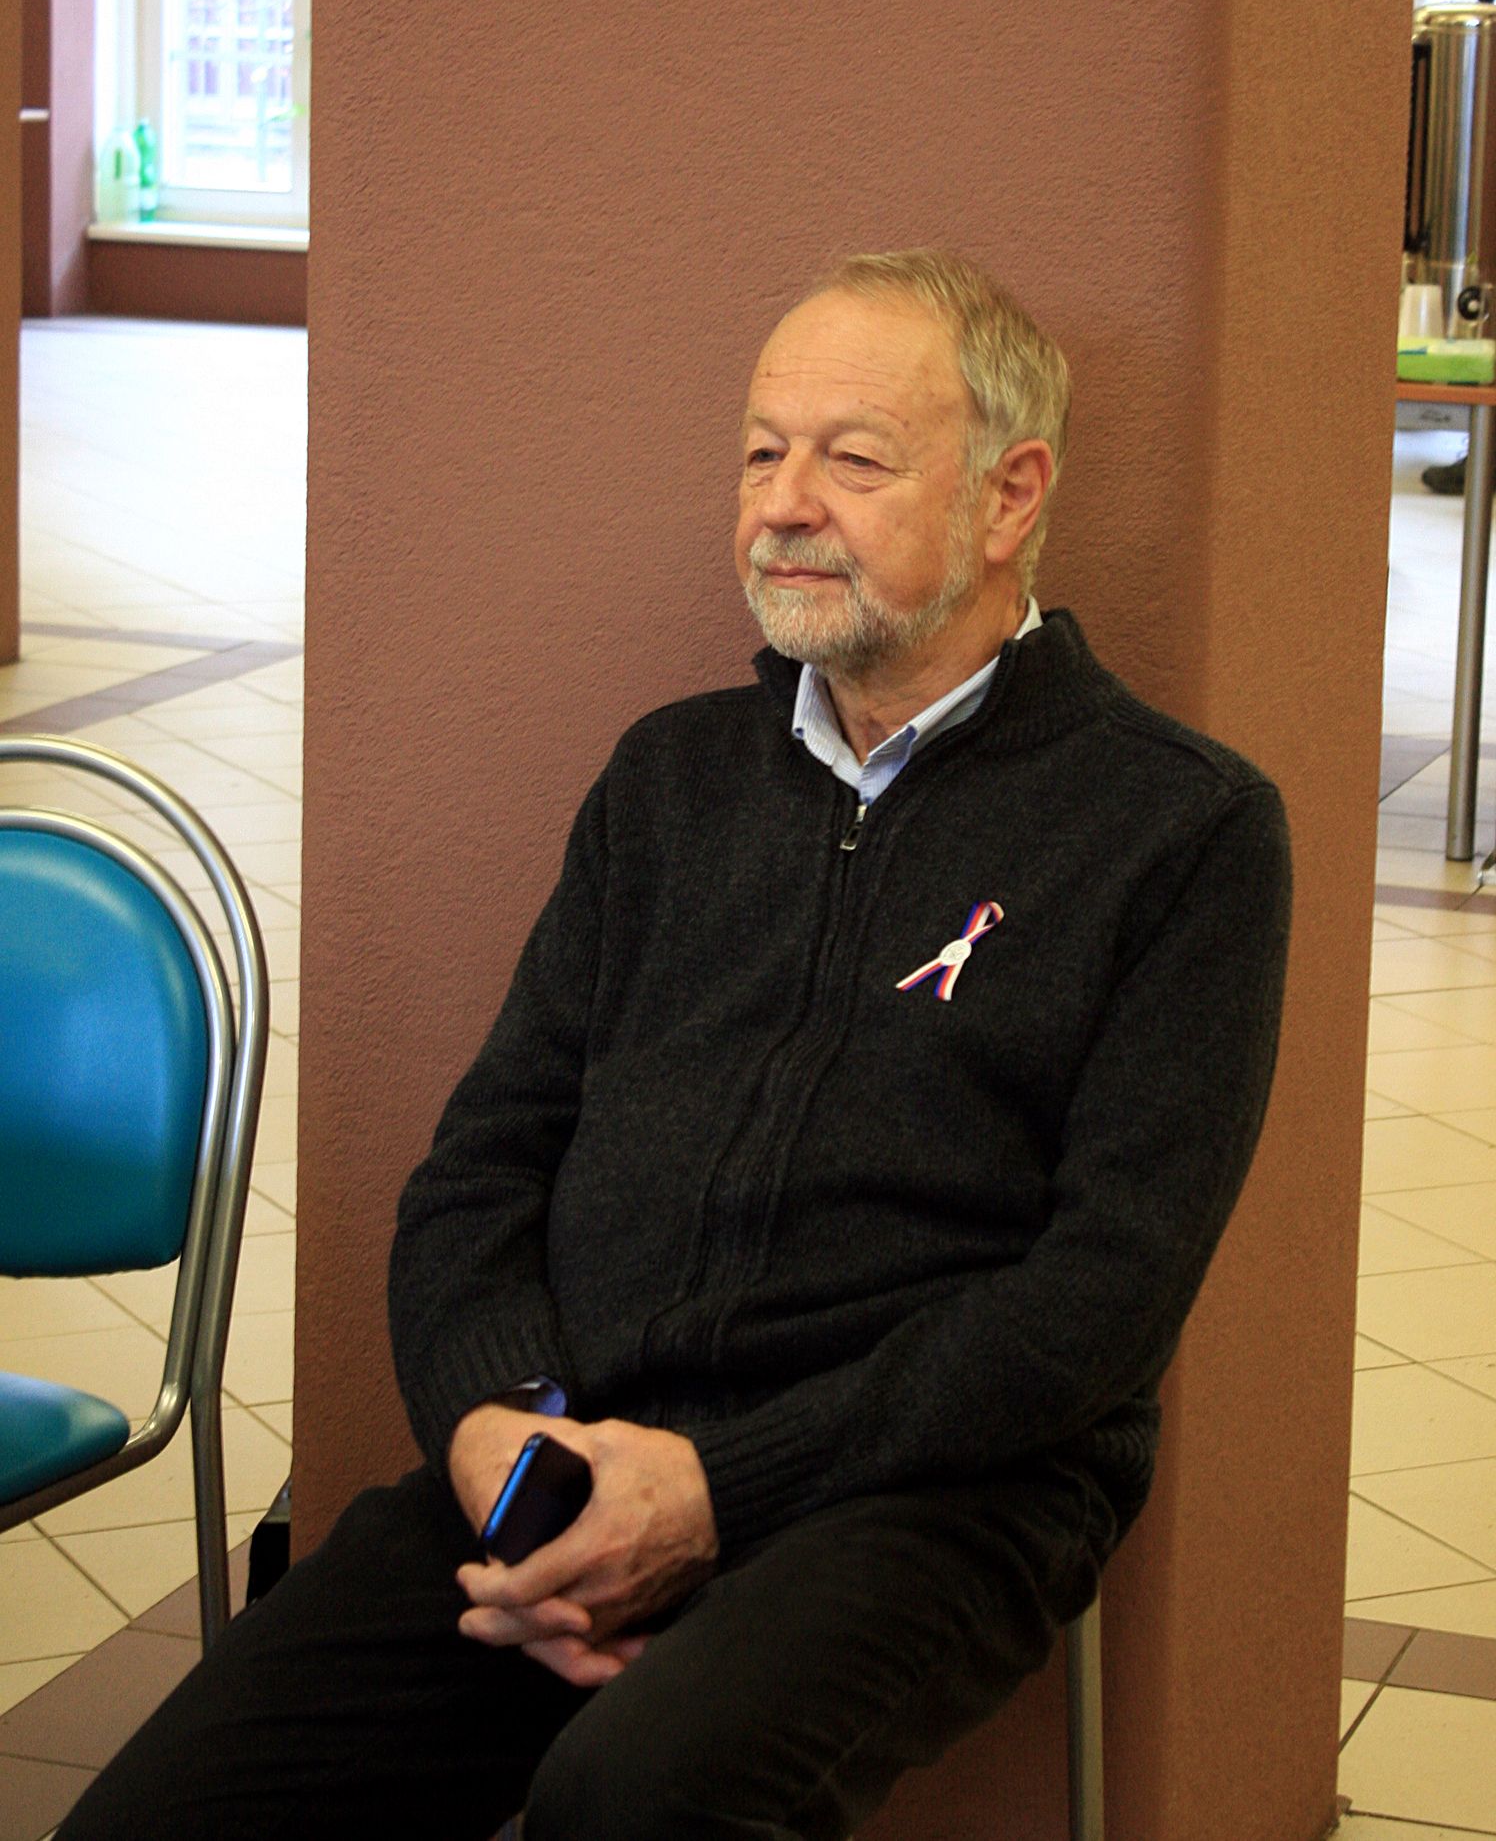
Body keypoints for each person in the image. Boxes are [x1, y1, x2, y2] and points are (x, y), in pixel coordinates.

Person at [61, 249, 1291, 1840]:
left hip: (935, 1487)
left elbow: (1098, 1307)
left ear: (1010, 496)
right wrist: (497, 1437)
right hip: (580, 1447)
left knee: (633, 1802)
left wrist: (716, 1493)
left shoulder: (1180, 831)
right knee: (155, 1818)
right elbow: (479, 1173)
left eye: (853, 460)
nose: (784, 503)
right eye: (760, 452)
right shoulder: (671, 781)